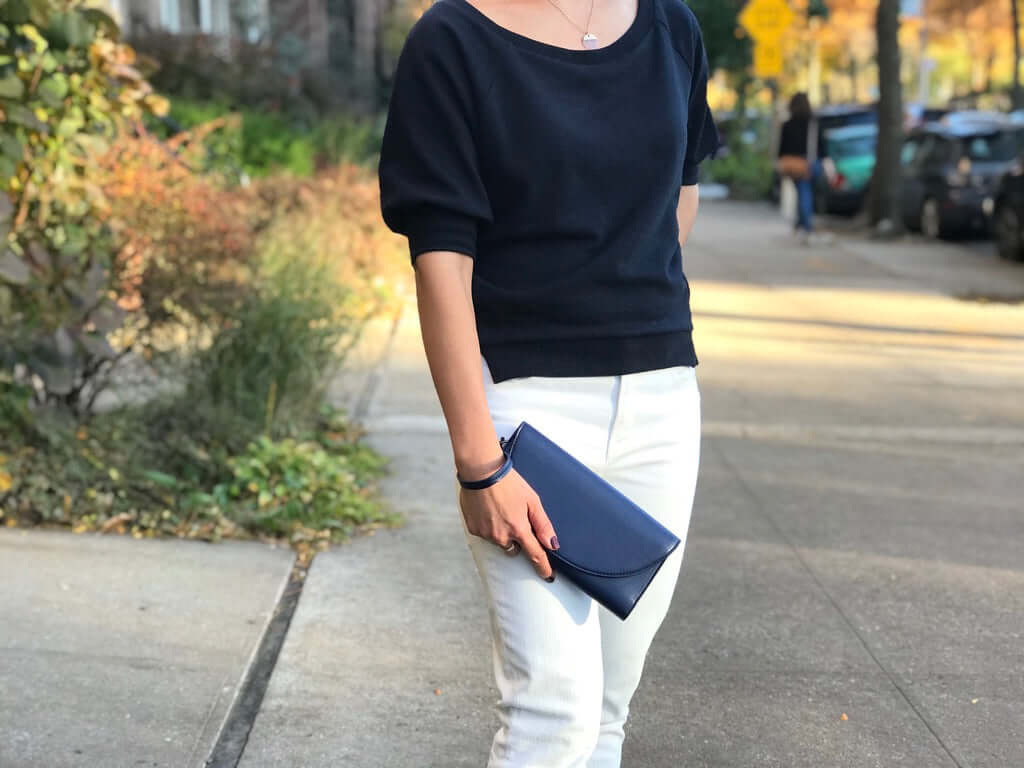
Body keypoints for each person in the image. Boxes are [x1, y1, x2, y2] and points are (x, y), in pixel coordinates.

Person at [377, 0, 719, 764]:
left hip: (660, 405)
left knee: (606, 712)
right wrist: (480, 462)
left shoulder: (671, 27)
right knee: (551, 713)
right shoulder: (452, 41)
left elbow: (681, 188)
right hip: (527, 413)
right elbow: (441, 265)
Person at [777, 92, 832, 244]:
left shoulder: (787, 125)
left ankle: (805, 227)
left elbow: (782, 150)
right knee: (805, 194)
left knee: (803, 194)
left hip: (795, 165)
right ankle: (802, 225)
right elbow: (822, 148)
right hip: (811, 163)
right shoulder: (814, 124)